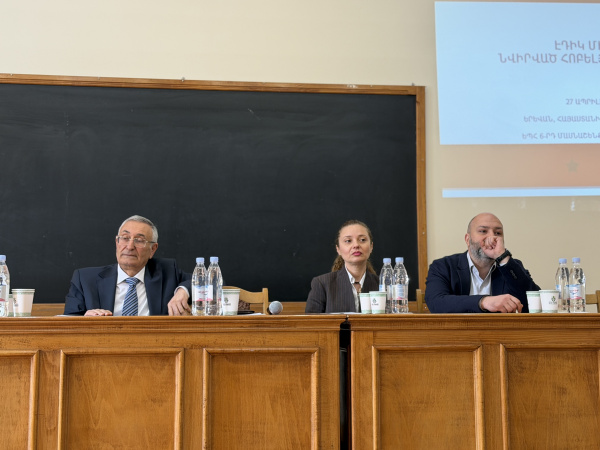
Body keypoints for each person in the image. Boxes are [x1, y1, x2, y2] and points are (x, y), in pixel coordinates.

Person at [64, 215, 192, 316]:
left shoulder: (167, 272)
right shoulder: (85, 279)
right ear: (117, 242)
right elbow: (68, 322)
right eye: (125, 238)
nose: (130, 247)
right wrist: (85, 319)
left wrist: (183, 291)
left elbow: (202, 281)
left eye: (139, 240)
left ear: (152, 249)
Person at [425, 212, 540, 313]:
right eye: (483, 231)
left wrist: (503, 257)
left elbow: (536, 303)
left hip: (499, 330)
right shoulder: (443, 266)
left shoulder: (510, 266)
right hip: (458, 331)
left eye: (498, 233)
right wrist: (484, 302)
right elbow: (436, 302)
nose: (491, 237)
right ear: (467, 239)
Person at [305, 220, 379, 313]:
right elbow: (311, 321)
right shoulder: (322, 283)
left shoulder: (383, 285)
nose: (356, 245)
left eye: (362, 240)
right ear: (338, 249)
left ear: (371, 246)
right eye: (348, 241)